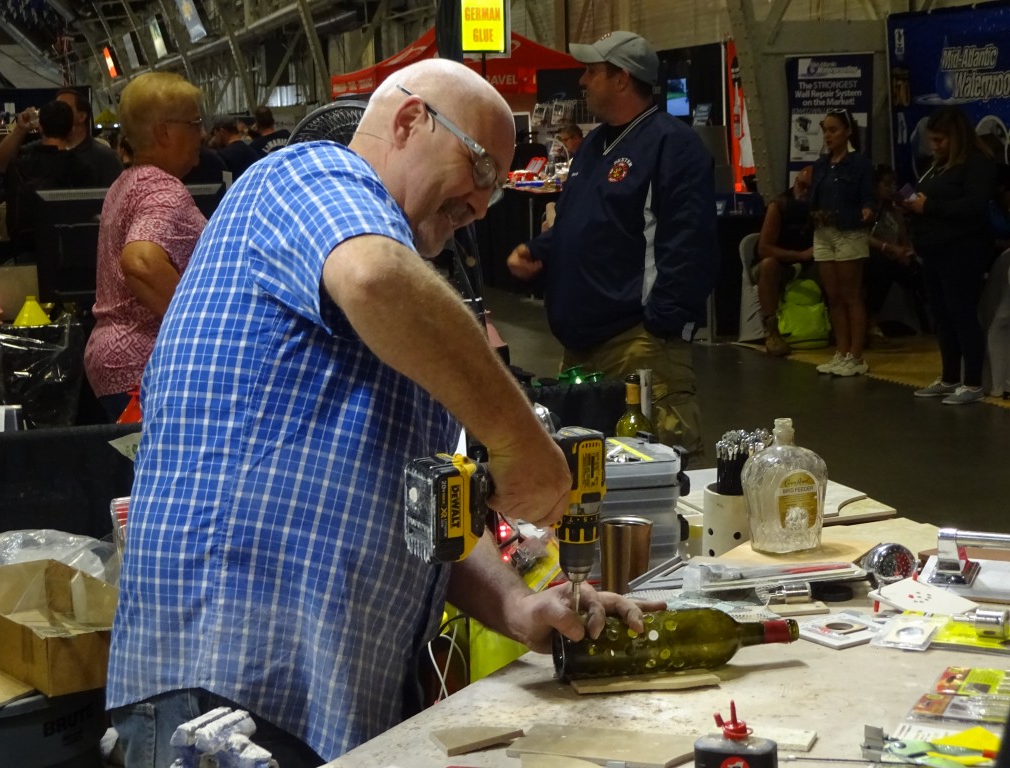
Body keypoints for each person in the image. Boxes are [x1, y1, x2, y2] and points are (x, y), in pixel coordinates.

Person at [106, 59, 658, 768]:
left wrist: (518, 607)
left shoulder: (394, 304)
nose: (484, 207)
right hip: (221, 700)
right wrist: (520, 443)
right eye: (480, 169)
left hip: (310, 708)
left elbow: (418, 508)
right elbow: (373, 276)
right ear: (408, 120)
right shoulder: (306, 177)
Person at [506, 31, 719, 463]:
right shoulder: (594, 147)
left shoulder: (672, 146)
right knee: (586, 477)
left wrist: (661, 324)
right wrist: (542, 249)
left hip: (637, 344)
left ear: (622, 78)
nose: (583, 82)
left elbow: (690, 244)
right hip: (582, 347)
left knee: (651, 474)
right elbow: (587, 220)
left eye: (592, 71)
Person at [83, 72, 207, 422]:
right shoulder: (164, 191)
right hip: (146, 369)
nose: (203, 134)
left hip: (114, 364)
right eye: (194, 123)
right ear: (164, 131)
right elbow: (140, 262)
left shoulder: (126, 183)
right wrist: (201, 331)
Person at [903, 105, 996, 405]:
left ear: (955, 137)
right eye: (933, 140)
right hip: (933, 250)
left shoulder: (976, 162)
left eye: (941, 140)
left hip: (962, 250)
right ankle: (949, 377)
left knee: (961, 313)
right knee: (941, 316)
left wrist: (928, 207)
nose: (935, 146)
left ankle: (972, 382)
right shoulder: (936, 165)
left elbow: (973, 206)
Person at [808, 108, 875, 377]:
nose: (827, 135)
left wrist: (868, 209)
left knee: (851, 295)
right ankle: (841, 351)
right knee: (833, 297)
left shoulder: (859, 164)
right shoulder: (821, 165)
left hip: (849, 231)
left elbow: (869, 197)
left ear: (847, 131)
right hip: (823, 232)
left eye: (833, 130)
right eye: (825, 130)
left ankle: (856, 356)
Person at [3, 100, 98, 256]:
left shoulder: (18, 166)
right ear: (70, 129)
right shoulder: (82, 168)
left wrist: (20, 129)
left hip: (24, 252)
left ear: (40, 127)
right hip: (68, 254)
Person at [0, 87, 123, 186]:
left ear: (82, 116)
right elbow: (0, 164)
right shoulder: (35, 152)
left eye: (64, 108)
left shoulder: (105, 159)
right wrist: (19, 130)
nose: (58, 112)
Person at [755, 165, 814, 357]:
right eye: (800, 185)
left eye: (808, 188)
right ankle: (772, 331)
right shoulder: (779, 205)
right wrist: (800, 255)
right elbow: (763, 248)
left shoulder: (820, 207)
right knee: (769, 265)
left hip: (807, 263)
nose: (802, 191)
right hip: (780, 263)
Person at [865, 164, 925, 339]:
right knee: (884, 266)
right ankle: (871, 319)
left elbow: (903, 235)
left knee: (918, 272)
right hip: (873, 256)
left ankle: (935, 321)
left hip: (895, 255)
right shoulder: (869, 207)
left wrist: (907, 251)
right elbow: (862, 236)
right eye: (887, 184)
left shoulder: (892, 208)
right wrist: (890, 249)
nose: (892, 188)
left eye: (894, 184)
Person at [210, 115, 261, 180]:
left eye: (215, 134)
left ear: (222, 132)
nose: (214, 138)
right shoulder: (252, 152)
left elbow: (224, 184)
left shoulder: (223, 156)